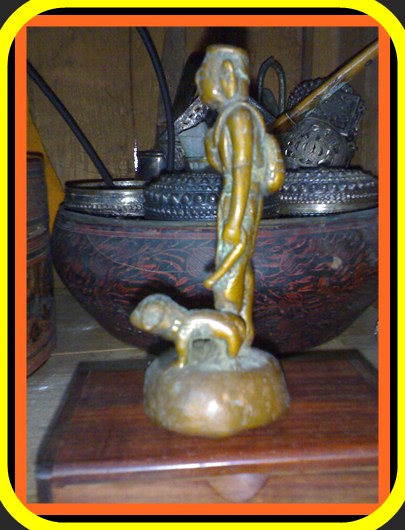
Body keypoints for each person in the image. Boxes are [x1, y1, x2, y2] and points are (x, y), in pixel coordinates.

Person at [195, 44, 285, 345]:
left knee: (229, 273)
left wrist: (234, 221)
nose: (199, 82)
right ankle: (242, 333)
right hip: (240, 199)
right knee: (240, 266)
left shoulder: (238, 117)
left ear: (227, 74)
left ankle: (228, 331)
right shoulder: (235, 116)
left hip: (239, 200)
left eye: (204, 74)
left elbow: (242, 170)